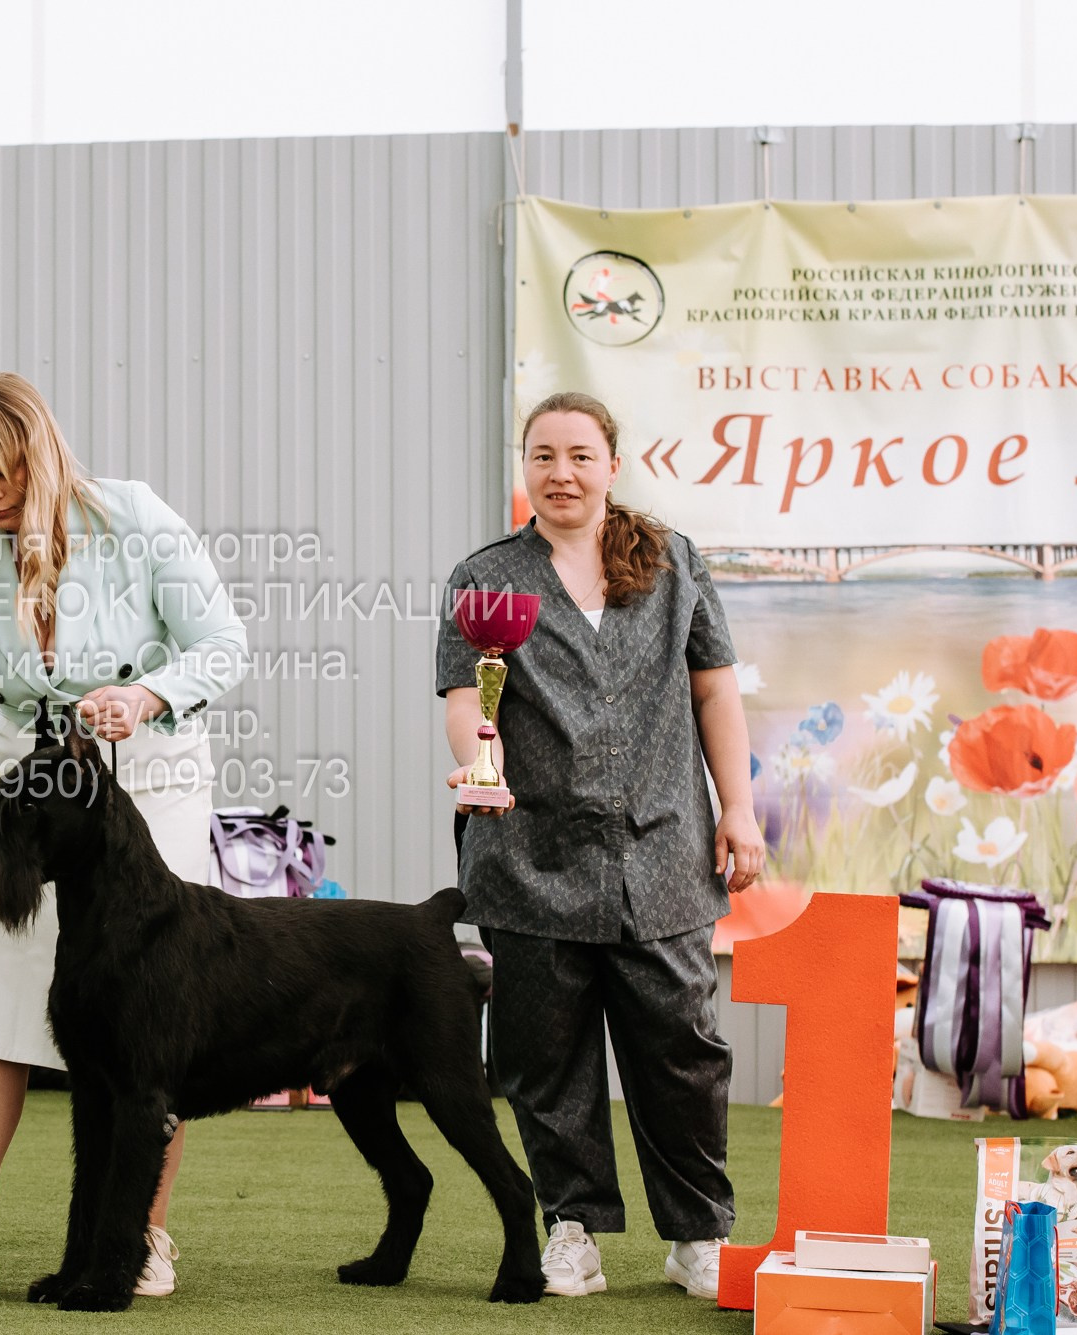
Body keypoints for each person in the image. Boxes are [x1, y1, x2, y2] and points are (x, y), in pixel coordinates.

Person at [0, 372, 248, 1300]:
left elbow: (223, 643)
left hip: (149, 774)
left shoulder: (134, 517)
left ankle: (142, 1234)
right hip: (28, 781)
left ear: (40, 453)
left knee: (153, 1015)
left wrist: (147, 693)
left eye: (2, 472)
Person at [435, 390, 761, 1303]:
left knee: (684, 1053)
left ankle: (698, 1234)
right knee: (546, 1059)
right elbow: (466, 700)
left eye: (580, 455)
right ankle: (571, 1228)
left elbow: (715, 692)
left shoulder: (673, 560)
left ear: (613, 464)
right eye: (543, 456)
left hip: (665, 856)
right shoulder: (485, 576)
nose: (562, 473)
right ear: (525, 468)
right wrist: (481, 767)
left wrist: (739, 808)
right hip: (529, 859)